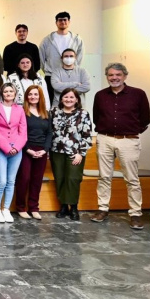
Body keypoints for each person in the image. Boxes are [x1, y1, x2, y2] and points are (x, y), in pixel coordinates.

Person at [92, 63, 150, 230]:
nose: (114, 78)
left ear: (125, 76)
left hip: (129, 140)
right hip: (105, 139)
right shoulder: (100, 95)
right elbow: (97, 117)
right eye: (110, 75)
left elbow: (145, 119)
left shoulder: (138, 94)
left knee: (132, 179)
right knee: (104, 177)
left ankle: (135, 213)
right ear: (107, 77)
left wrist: (129, 132)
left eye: (118, 75)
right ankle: (102, 209)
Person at [50, 88, 93, 221]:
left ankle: (73, 207)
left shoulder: (83, 114)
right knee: (60, 178)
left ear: (77, 100)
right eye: (66, 97)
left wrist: (81, 153)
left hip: (75, 152)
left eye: (72, 97)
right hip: (56, 151)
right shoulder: (53, 112)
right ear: (61, 98)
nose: (68, 100)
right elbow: (48, 131)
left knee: (73, 179)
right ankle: (63, 206)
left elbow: (87, 135)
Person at [14, 85, 52, 220]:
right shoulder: (22, 112)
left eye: (35, 94)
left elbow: (49, 133)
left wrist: (45, 150)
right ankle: (20, 207)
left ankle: (34, 207)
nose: (33, 97)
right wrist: (27, 150)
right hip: (26, 150)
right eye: (30, 94)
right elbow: (19, 133)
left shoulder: (46, 113)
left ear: (40, 96)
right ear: (26, 97)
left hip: (41, 151)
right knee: (24, 179)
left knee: (37, 180)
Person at [0, 83, 26, 224]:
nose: (8, 93)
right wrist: (6, 147)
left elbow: (23, 131)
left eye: (11, 91)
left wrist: (16, 147)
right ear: (2, 93)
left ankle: (6, 209)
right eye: (6, 91)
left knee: (11, 181)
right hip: (1, 149)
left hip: (17, 149)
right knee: (2, 181)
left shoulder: (20, 109)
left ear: (15, 93)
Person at [40, 12, 85, 103]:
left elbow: (80, 56)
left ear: (69, 22)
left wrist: (72, 69)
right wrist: (48, 71)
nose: (62, 22)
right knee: (51, 102)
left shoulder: (77, 39)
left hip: (71, 75)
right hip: (51, 75)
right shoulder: (47, 40)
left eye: (65, 20)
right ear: (56, 22)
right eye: (60, 20)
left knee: (71, 101)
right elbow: (41, 57)